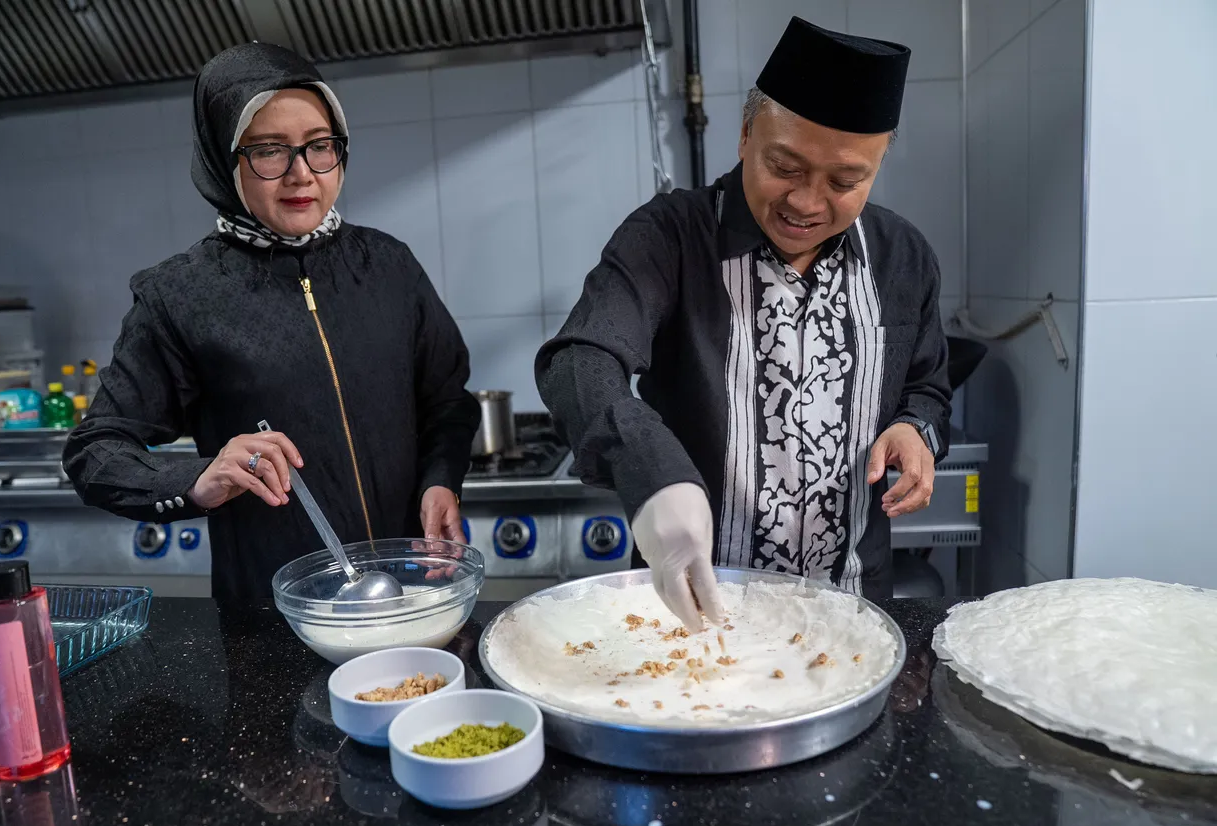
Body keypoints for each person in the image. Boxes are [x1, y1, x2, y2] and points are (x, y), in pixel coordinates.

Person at [536, 17, 951, 629]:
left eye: (845, 181)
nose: (808, 203)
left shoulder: (902, 256)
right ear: (745, 135)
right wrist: (653, 474)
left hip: (851, 608)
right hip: (699, 613)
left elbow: (927, 386)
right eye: (784, 166)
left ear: (877, 163)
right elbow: (580, 359)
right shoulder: (671, 237)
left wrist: (915, 427)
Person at [64, 43, 479, 599]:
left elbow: (447, 401)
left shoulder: (388, 265)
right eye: (269, 151)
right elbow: (95, 452)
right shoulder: (180, 295)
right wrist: (195, 480)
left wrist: (440, 481)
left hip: (412, 597)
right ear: (222, 157)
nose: (300, 174)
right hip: (272, 620)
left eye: (319, 146)